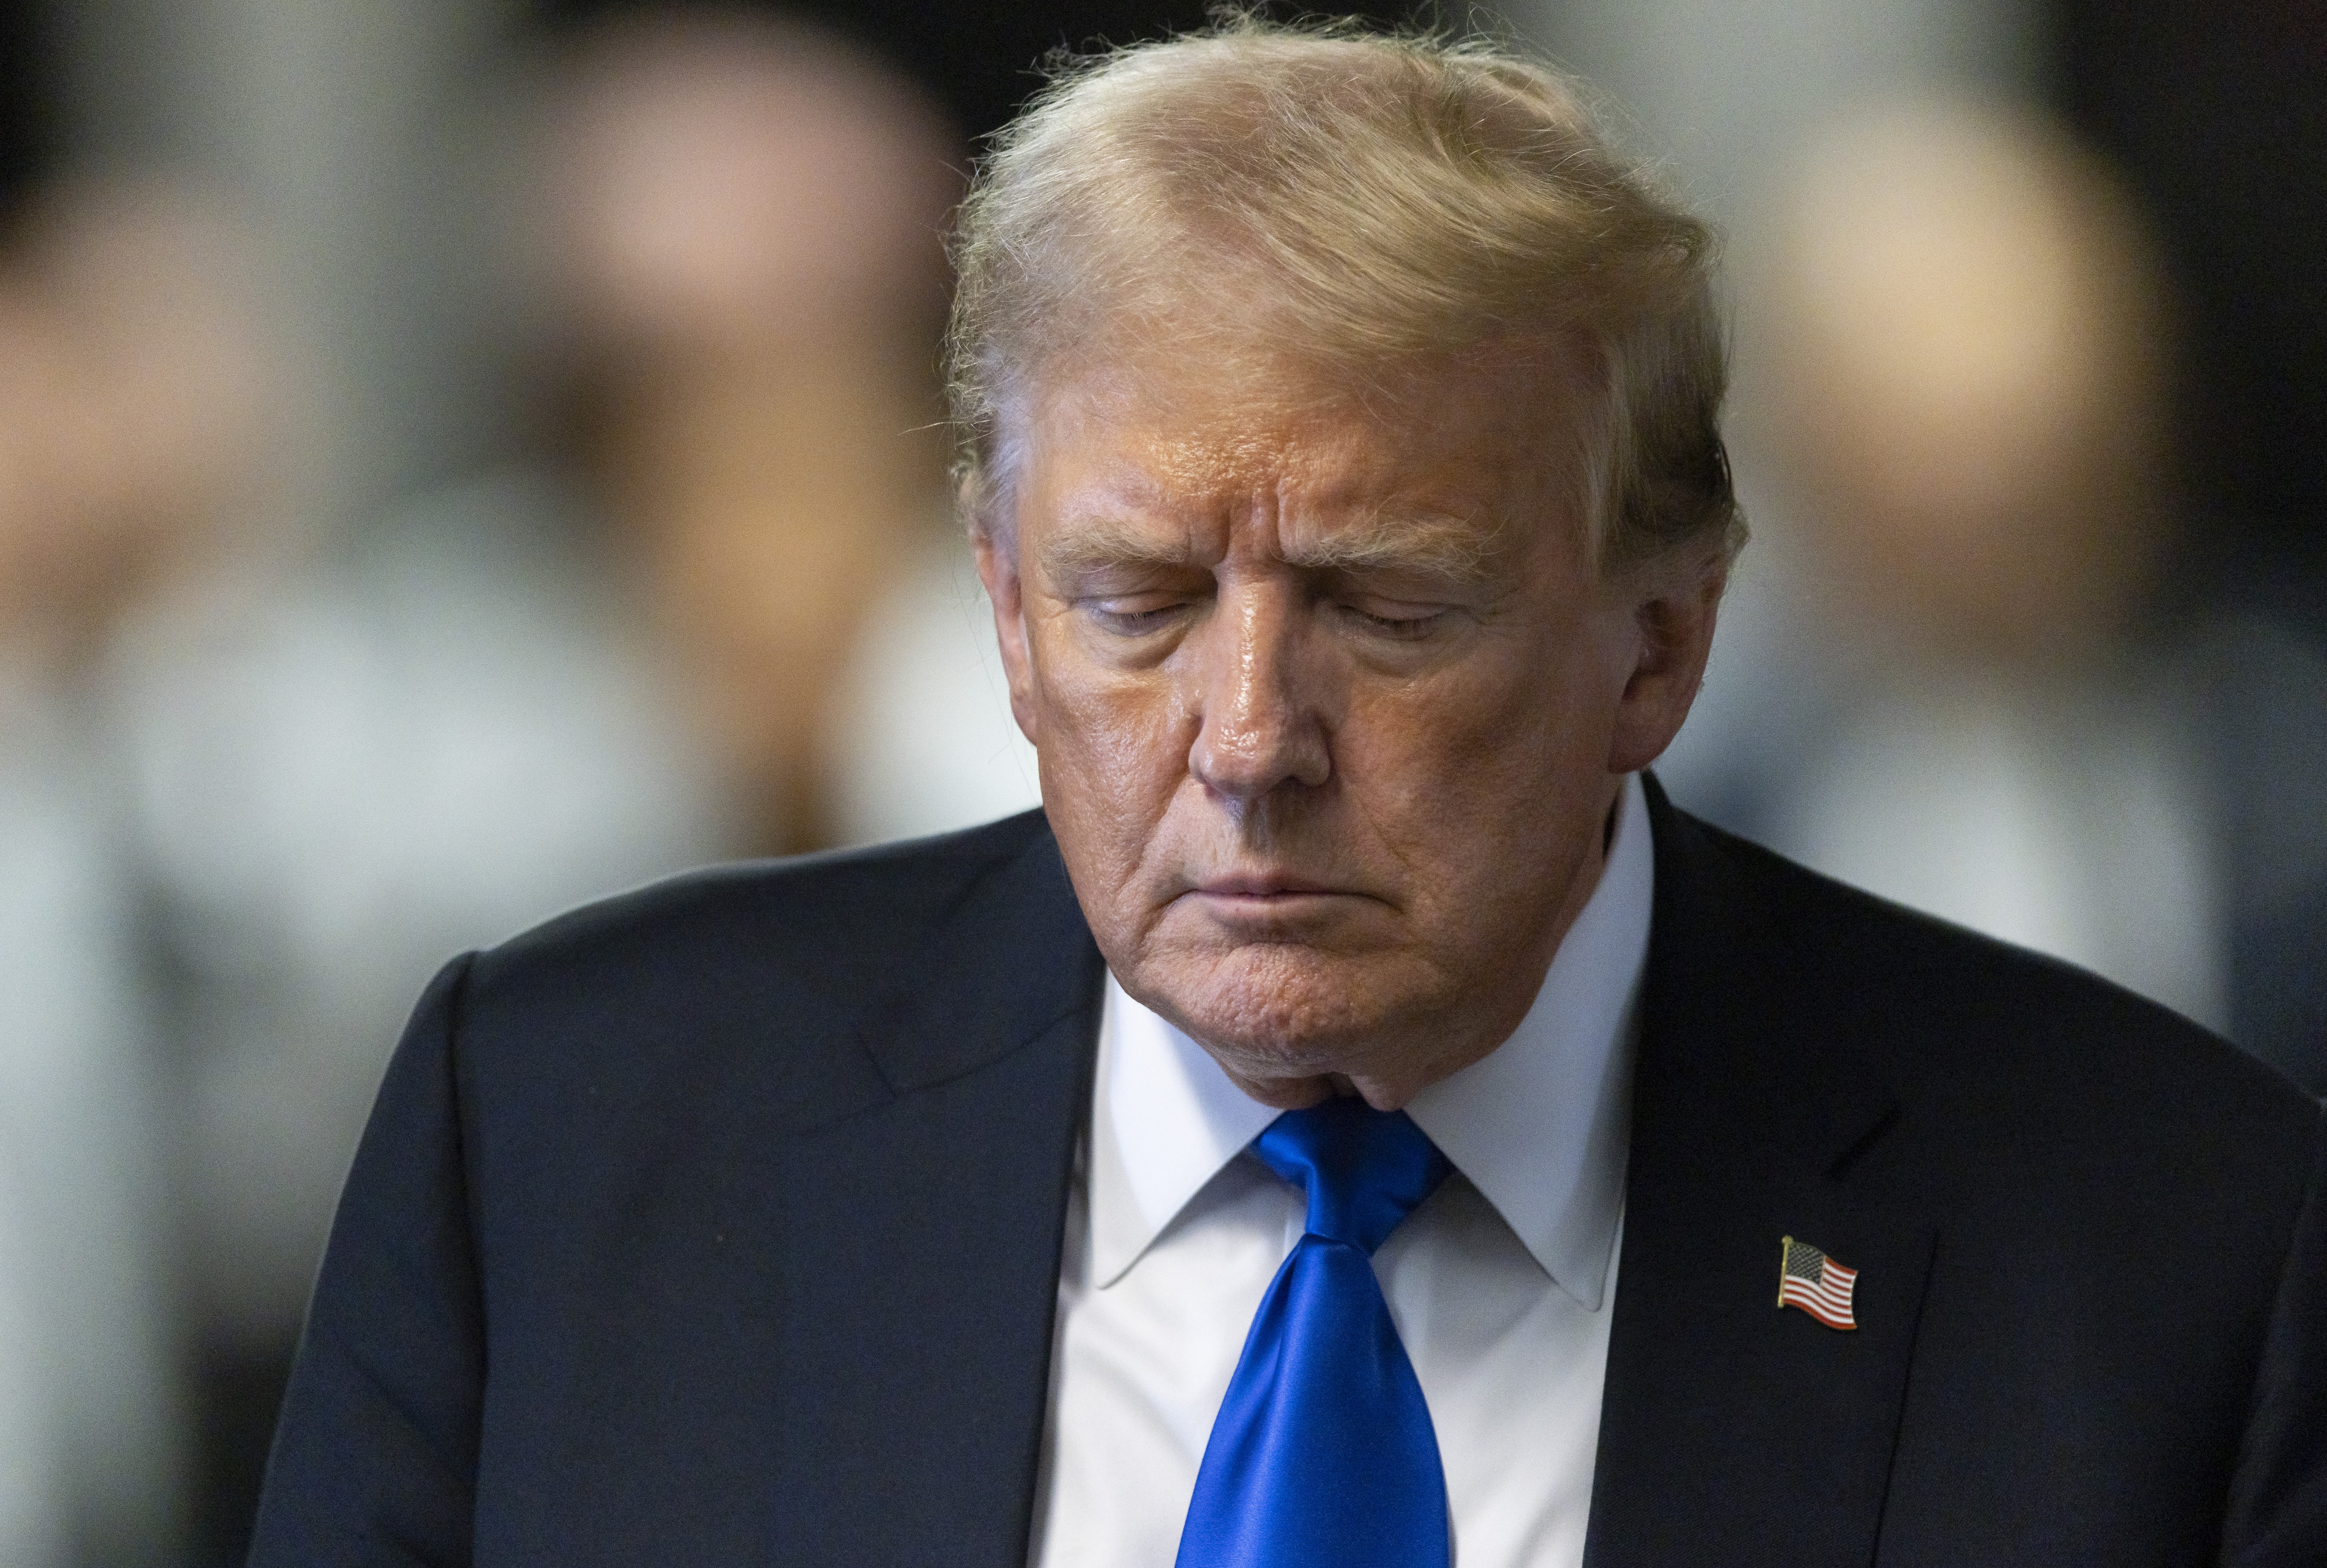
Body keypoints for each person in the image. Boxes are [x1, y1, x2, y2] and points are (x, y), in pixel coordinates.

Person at [249, 21, 2326, 1567]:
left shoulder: (2168, 1260)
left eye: (1392, 607)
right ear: (997, 603)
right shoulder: (561, 1147)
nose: (1248, 737)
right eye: (1136, 601)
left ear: (1662, 641)